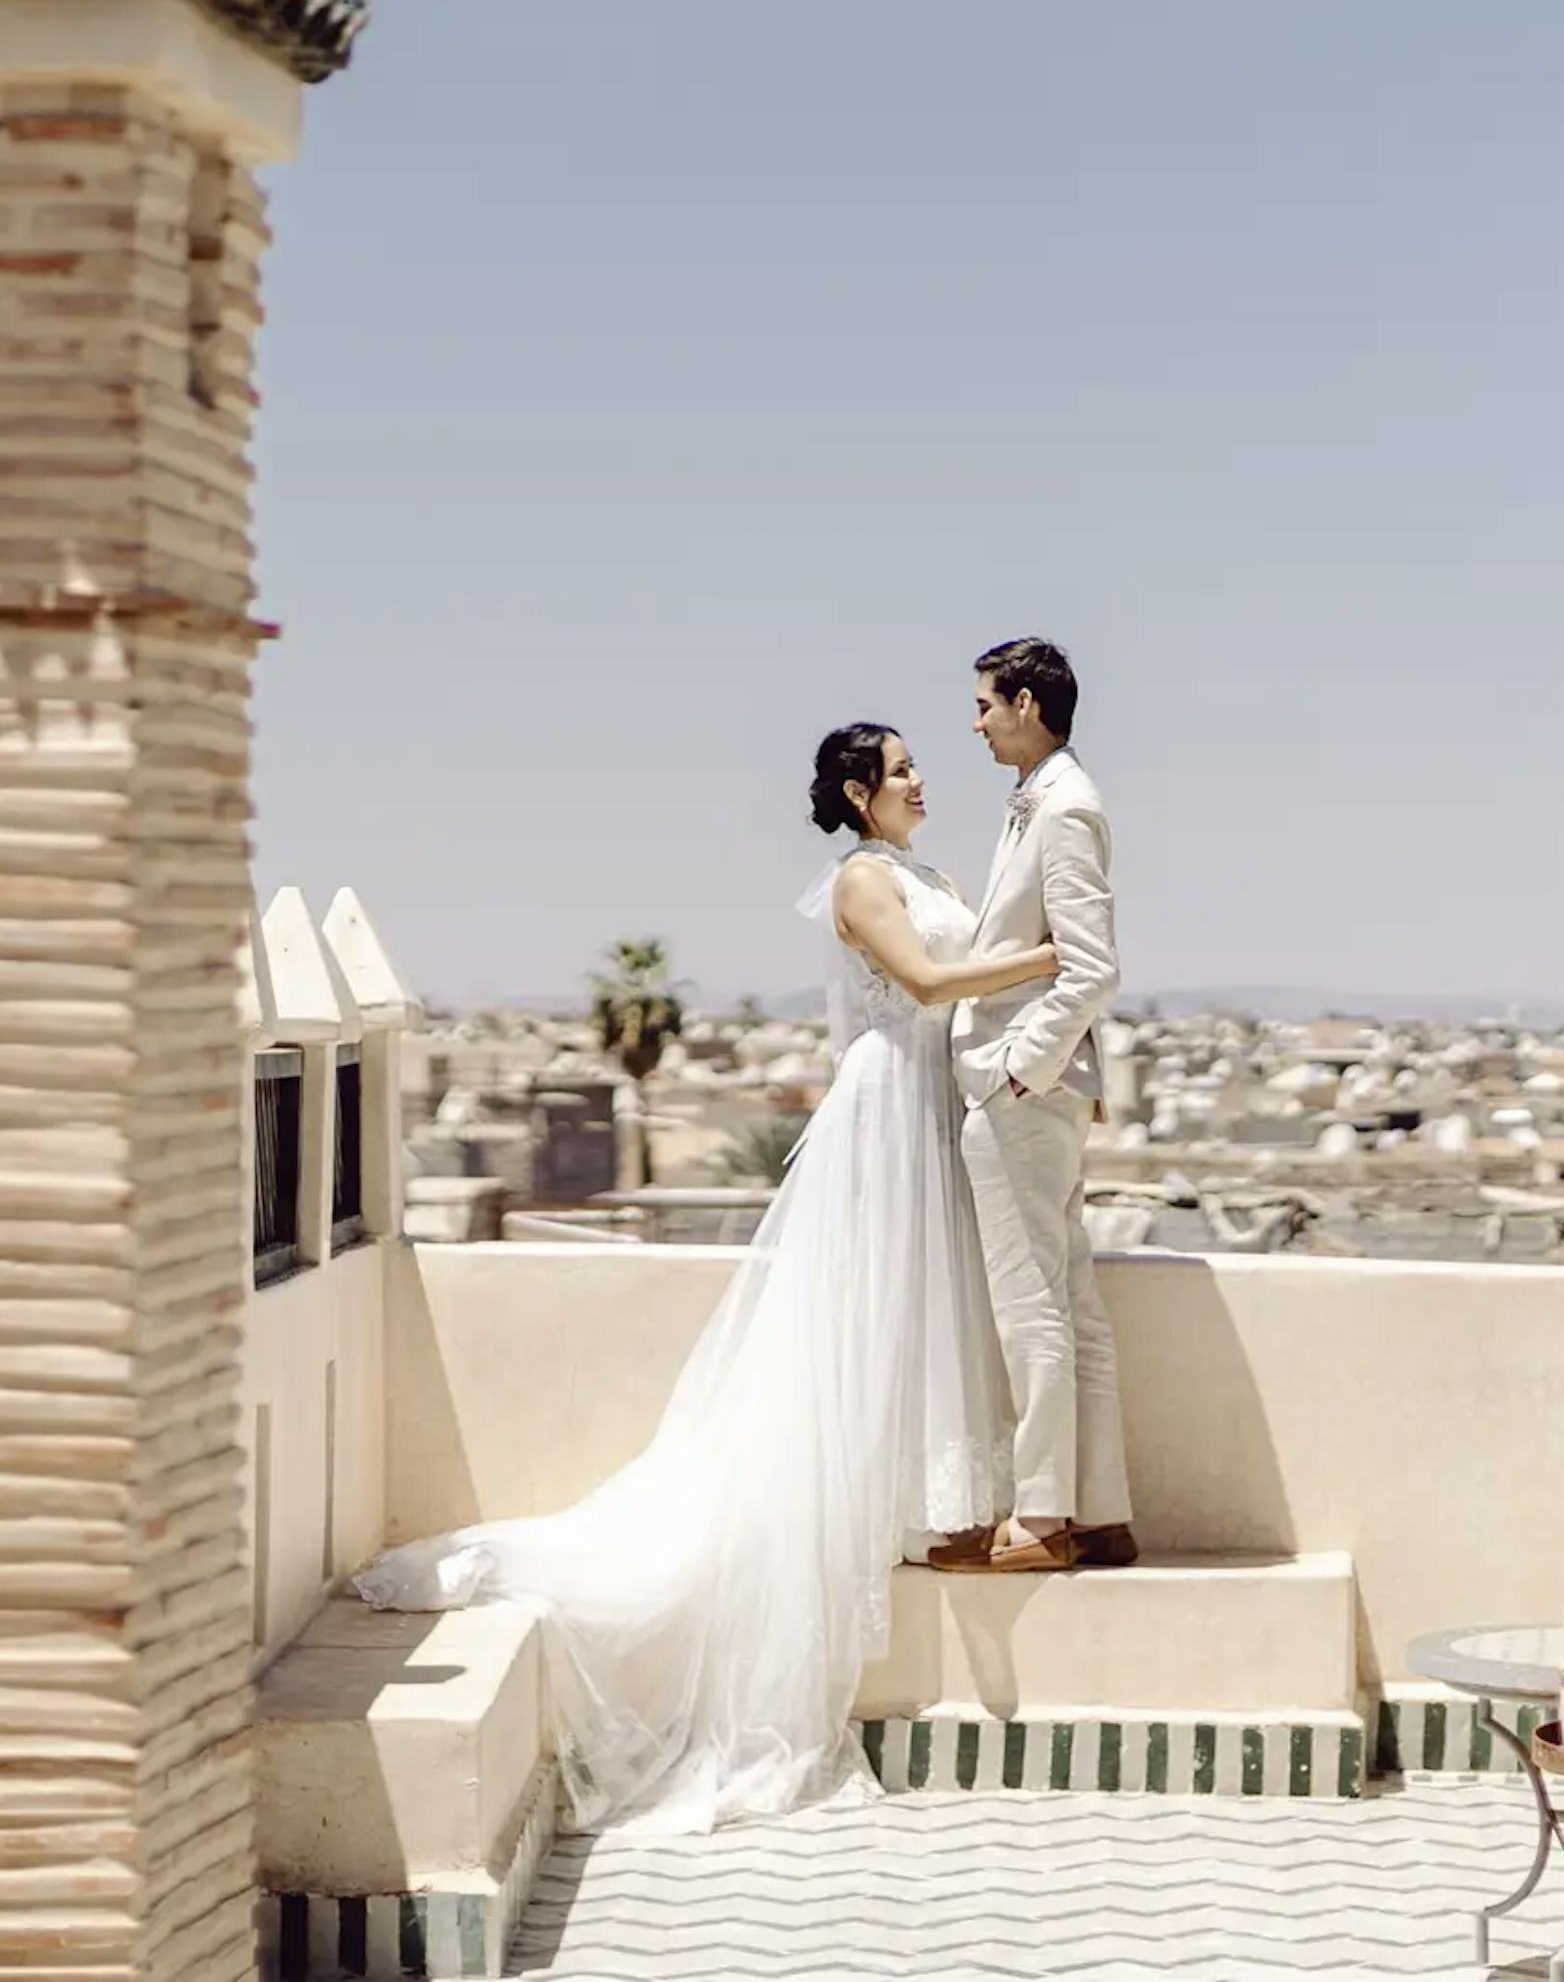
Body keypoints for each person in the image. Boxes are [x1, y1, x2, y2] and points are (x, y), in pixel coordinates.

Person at [348, 723, 1048, 1831]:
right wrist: (1051, 958)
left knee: (923, 1301)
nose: (924, 780)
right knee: (861, 1310)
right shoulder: (863, 880)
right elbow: (923, 985)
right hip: (883, 1105)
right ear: (862, 793)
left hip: (935, 1104)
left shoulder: (932, 872)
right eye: (905, 768)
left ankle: (926, 1506)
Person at [937, 637, 1137, 1575]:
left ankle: (1045, 1513)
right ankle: (1100, 1510)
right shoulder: (1047, 801)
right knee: (1072, 1304)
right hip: (1045, 1091)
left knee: (1032, 1307)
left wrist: (1017, 1068)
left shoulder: (1064, 809)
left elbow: (1091, 965)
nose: (974, 721)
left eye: (984, 703)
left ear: (1024, 701)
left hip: (1026, 1092)